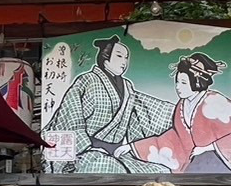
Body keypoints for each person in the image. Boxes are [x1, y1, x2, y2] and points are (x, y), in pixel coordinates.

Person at [123, 53, 231, 173]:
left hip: (227, 161)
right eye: (177, 82)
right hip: (202, 160)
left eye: (183, 82)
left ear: (197, 82)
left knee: (198, 169)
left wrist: (211, 147)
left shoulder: (215, 102)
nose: (178, 87)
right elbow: (175, 139)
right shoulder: (182, 107)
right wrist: (134, 147)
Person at [46, 36, 174, 173]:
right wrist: (84, 147)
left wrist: (178, 113)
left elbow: (145, 107)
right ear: (105, 56)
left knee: (160, 171)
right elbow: (70, 115)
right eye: (119, 56)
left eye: (126, 57)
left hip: (117, 153)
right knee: (107, 167)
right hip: (86, 152)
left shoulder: (127, 87)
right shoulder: (87, 80)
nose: (124, 62)